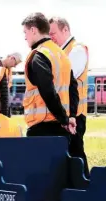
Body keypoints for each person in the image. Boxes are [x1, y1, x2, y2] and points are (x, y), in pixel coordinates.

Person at [21, 12, 77, 137]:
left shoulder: (39, 55)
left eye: (25, 32)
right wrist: (70, 117)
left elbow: (48, 91)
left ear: (33, 30)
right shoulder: (62, 54)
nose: (25, 37)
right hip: (62, 127)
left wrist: (64, 119)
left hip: (42, 126)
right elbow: (73, 88)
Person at [49, 16, 89, 177]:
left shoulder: (77, 49)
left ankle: (86, 191)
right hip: (65, 115)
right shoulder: (60, 52)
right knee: (68, 159)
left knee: (76, 157)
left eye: (53, 33)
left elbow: (63, 77)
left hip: (75, 115)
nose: (51, 37)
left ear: (65, 29)